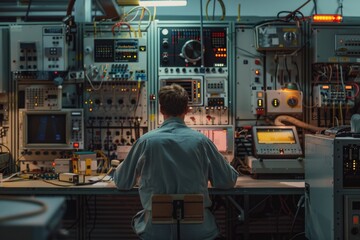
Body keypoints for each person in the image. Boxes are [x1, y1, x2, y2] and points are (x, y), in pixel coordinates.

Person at [113, 83, 239, 240]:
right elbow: (227, 181)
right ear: (187, 110)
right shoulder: (201, 141)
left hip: (156, 231)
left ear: (161, 110)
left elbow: (122, 182)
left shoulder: (146, 141)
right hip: (198, 230)